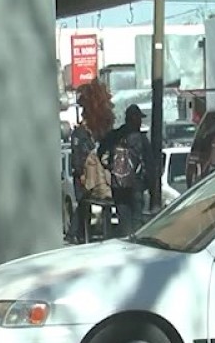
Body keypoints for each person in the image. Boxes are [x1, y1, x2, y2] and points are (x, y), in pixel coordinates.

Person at [66, 79, 115, 244]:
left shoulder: (89, 133)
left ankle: (79, 233)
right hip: (87, 176)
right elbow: (79, 156)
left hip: (92, 176)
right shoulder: (84, 133)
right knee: (84, 204)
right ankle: (78, 233)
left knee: (86, 204)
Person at [99, 104, 154, 237]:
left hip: (118, 184)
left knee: (123, 219)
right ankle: (135, 245)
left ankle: (126, 241)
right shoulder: (141, 139)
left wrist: (111, 167)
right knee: (137, 218)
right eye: (139, 118)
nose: (141, 122)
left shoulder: (114, 135)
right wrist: (150, 184)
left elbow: (100, 152)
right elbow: (150, 162)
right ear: (134, 119)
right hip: (136, 184)